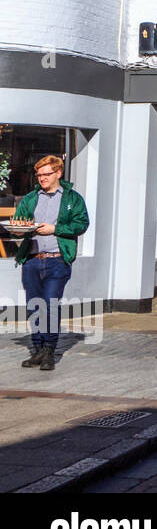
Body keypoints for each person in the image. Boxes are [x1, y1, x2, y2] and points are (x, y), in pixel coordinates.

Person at [12, 155, 90, 371]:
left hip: (57, 261)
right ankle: (37, 349)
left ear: (58, 173)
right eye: (38, 175)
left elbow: (81, 224)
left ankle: (49, 350)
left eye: (46, 174)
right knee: (34, 306)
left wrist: (55, 229)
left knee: (49, 305)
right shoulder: (30, 198)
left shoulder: (72, 199)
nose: (42, 178)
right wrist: (18, 230)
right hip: (32, 261)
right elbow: (20, 222)